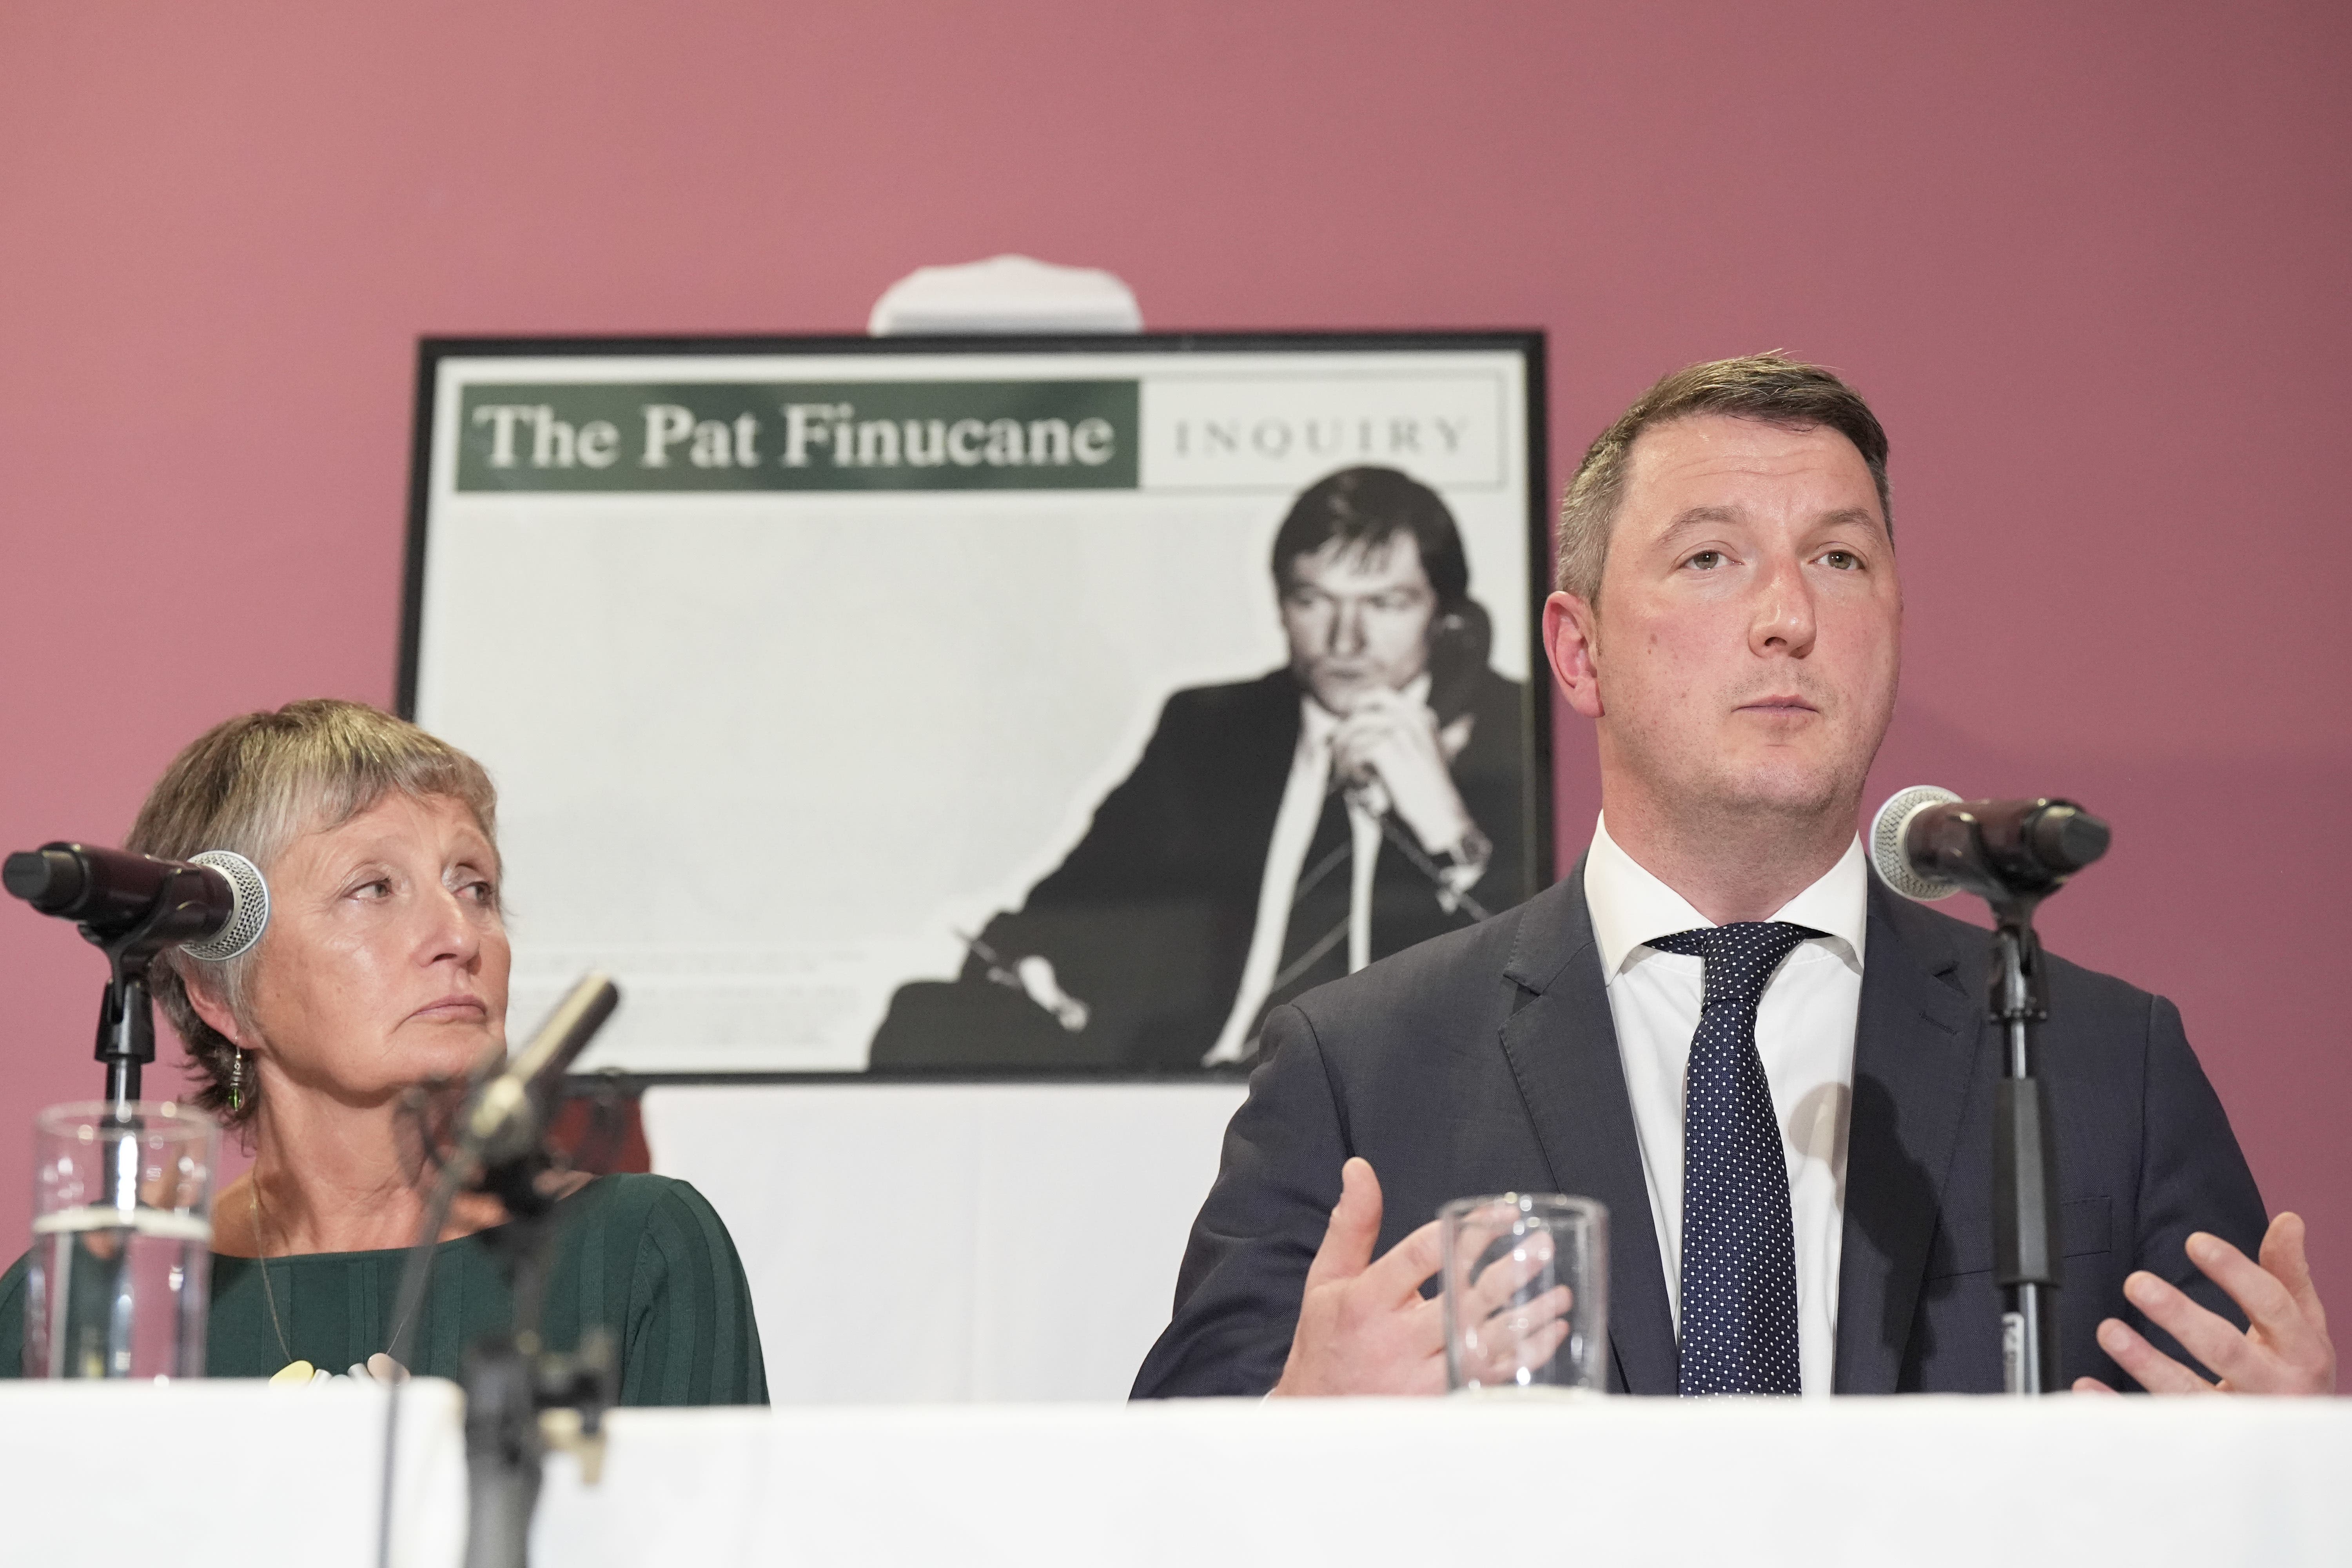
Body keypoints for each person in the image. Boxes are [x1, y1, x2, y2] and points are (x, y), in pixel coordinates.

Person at [1133, 355, 2335, 1398]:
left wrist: (2291, 1473)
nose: (1787, 616)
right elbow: (1158, 1505)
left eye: (1840, 560)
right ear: (1579, 648)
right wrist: (1294, 1431)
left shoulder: (2097, 1068)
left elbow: (2220, 1484)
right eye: (1712, 557)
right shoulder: (1362, 1072)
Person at [0, 699, 767, 1403]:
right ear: (220, 994)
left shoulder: (639, 1248)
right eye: (374, 887)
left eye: (475, 887)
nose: (461, 937)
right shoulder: (90, 1301)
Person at [870, 465, 1534, 1073]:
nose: (1344, 639)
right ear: (1280, 607)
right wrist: (1035, 959)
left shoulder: (1510, 727)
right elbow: (1069, 906)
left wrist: (1452, 835)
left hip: (1398, 1096)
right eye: (1314, 601)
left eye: (1384, 604)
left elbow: (1550, 994)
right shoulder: (1211, 730)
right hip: (1205, 1094)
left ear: (1445, 619)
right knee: (919, 1023)